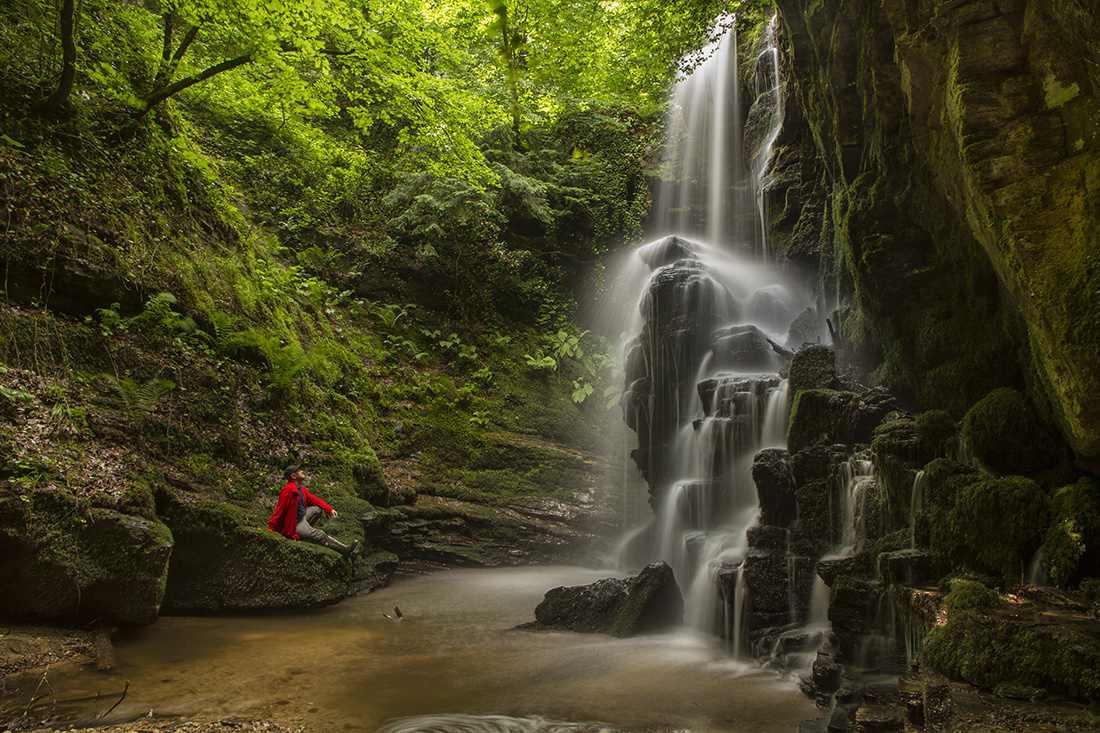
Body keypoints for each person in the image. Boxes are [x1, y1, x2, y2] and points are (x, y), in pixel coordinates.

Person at [268, 463, 359, 557]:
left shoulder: (301, 489)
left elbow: (315, 500)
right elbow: (280, 509)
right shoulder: (288, 490)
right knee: (320, 534)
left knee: (317, 509)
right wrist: (271, 527)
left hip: (301, 518)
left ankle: (306, 532)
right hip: (294, 524)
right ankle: (345, 550)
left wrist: (329, 509)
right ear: (293, 476)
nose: (302, 471)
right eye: (298, 471)